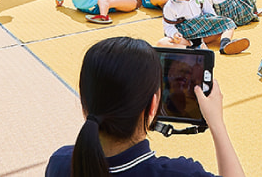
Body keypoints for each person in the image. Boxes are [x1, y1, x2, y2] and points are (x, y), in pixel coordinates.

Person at [45, 37, 245, 177]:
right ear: (152, 106)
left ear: (85, 102)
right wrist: (217, 124)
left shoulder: (60, 163)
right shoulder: (180, 173)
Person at [156, 0, 250, 55]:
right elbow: (168, 26)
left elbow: (209, 11)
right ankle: (192, 49)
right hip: (184, 34)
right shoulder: (170, 6)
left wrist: (216, 23)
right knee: (162, 43)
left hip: (202, 27)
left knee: (228, 23)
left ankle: (224, 44)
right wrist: (174, 34)